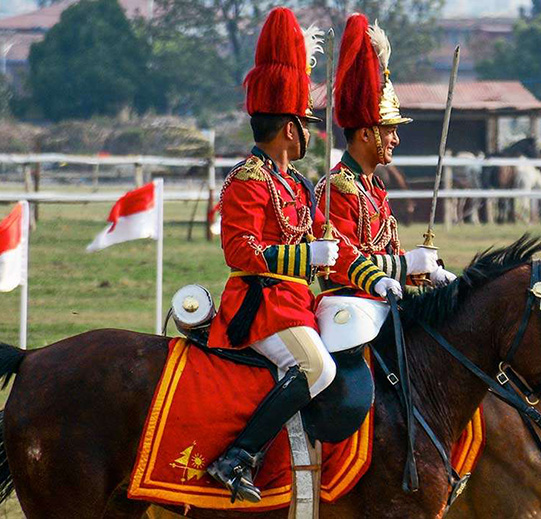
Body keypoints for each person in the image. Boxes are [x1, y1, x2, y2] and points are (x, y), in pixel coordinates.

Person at [205, 8, 398, 502]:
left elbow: (333, 253)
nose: (311, 132)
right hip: (261, 305)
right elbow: (239, 250)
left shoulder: (296, 183)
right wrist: (303, 255)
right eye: (306, 124)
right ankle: (237, 458)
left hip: (295, 306)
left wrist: (375, 278)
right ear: (290, 130)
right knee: (318, 369)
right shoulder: (250, 178)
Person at [316, 14, 456, 304]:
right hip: (349, 305)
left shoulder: (374, 187)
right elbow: (341, 260)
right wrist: (407, 264)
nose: (396, 139)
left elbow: (387, 256)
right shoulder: (337, 187)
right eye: (389, 131)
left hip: (382, 300)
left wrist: (427, 272)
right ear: (366, 135)